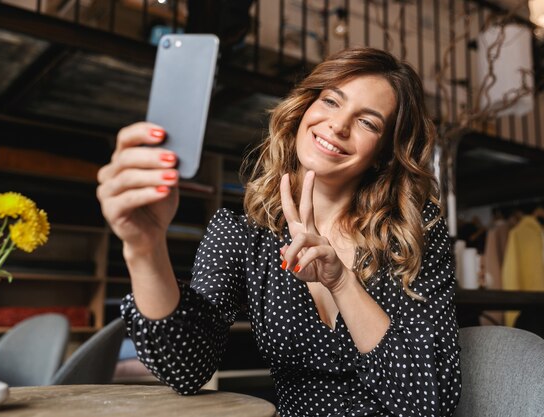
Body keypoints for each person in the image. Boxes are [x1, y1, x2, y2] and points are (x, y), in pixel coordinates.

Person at [97, 47, 461, 416]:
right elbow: (185, 371)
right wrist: (145, 249)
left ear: (383, 152)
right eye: (331, 101)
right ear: (305, 108)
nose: (338, 125)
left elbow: (427, 403)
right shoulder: (242, 235)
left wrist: (341, 282)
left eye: (368, 122)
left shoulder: (412, 232)